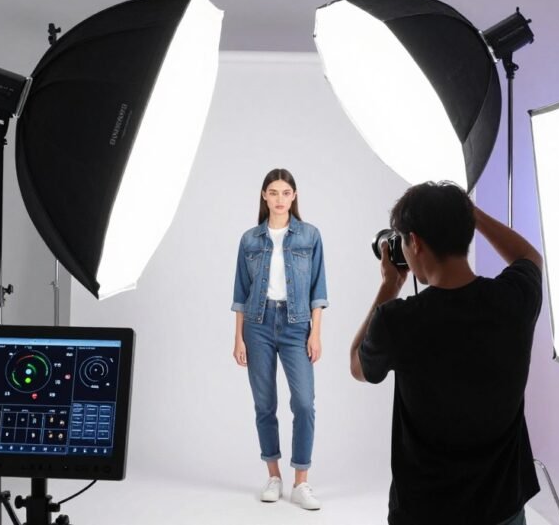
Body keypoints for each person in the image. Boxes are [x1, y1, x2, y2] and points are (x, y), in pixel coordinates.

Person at [349, 181, 543, 525]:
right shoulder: (513, 299)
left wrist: (388, 287)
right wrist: (472, 213)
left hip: (425, 511)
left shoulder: (396, 320)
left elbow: (357, 365)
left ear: (415, 243)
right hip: (501, 505)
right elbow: (530, 258)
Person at [232, 168, 328, 510]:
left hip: (296, 323)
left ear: (294, 196)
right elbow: (240, 294)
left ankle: (301, 481)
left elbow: (319, 290)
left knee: (303, 403)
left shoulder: (310, 236)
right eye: (273, 192)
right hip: (256, 325)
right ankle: (273, 475)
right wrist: (238, 338)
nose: (279, 199)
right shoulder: (249, 240)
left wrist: (315, 332)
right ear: (264, 196)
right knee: (264, 404)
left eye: (285, 192)